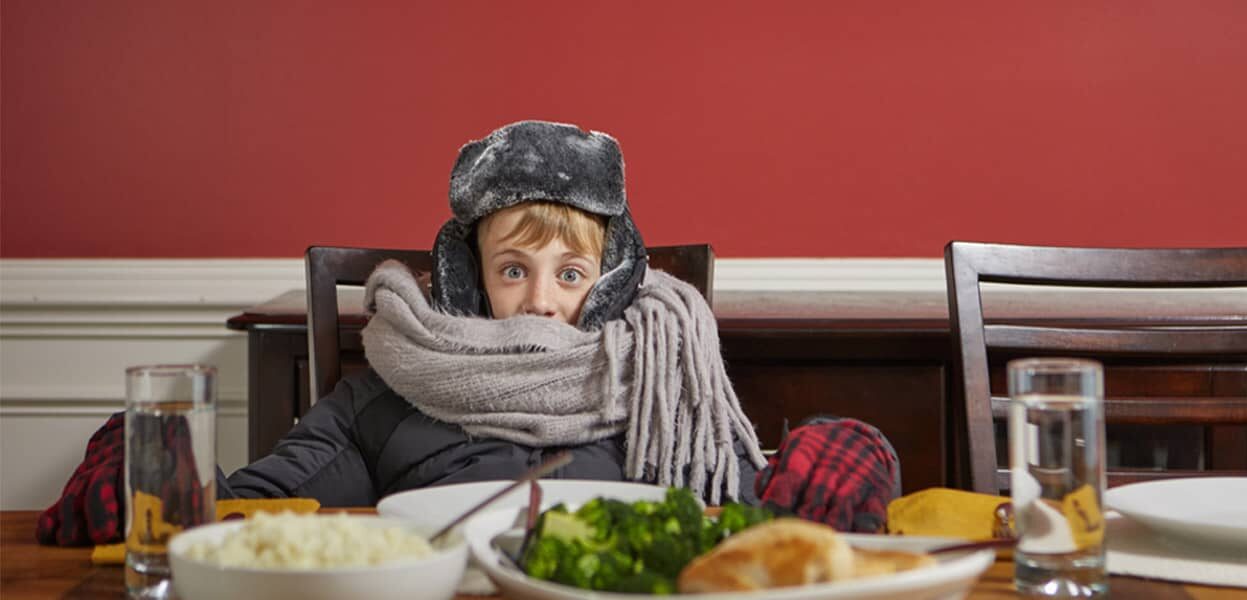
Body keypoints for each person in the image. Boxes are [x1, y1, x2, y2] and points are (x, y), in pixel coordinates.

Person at [37, 120, 900, 546]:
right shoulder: (392, 383)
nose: (539, 300)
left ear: (604, 284)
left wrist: (845, 455)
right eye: (513, 270)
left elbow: (751, 496)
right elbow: (264, 508)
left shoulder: (656, 379)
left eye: (569, 275)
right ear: (467, 276)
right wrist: (150, 466)